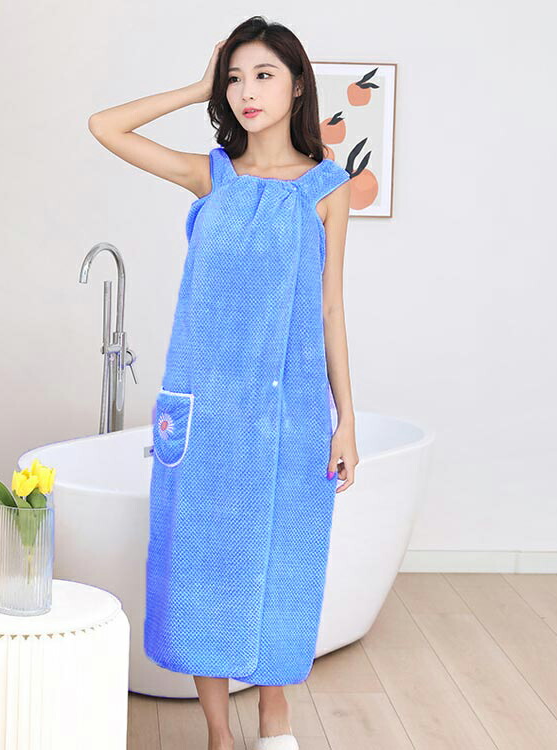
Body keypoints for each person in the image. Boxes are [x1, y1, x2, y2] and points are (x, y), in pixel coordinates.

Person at [89, 15, 359, 750]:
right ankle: (218, 733)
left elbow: (331, 308)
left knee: (282, 559)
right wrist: (194, 86)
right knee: (204, 563)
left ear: (297, 85)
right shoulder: (212, 174)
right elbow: (105, 126)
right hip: (205, 409)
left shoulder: (328, 189)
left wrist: (346, 420)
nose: (246, 91)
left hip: (291, 410)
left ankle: (275, 716)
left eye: (263, 75)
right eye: (234, 78)